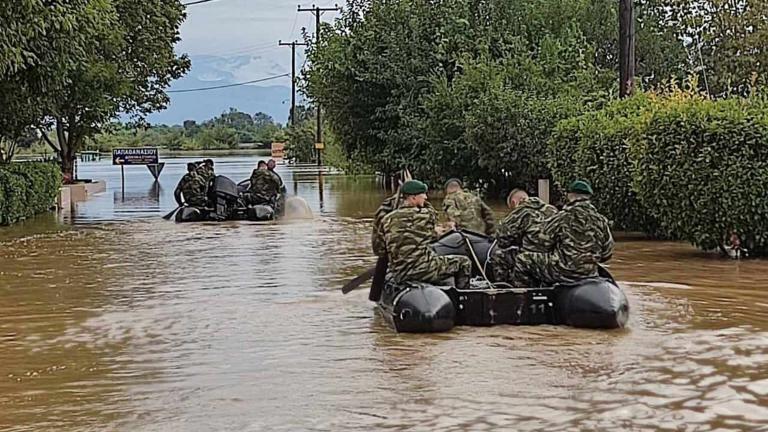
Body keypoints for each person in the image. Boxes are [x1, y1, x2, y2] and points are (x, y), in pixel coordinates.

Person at [513, 180, 614, 287]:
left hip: (563, 272)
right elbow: (607, 254)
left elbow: (542, 243)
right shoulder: (601, 220)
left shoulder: (562, 217)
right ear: (589, 197)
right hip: (590, 274)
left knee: (522, 260)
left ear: (569, 195)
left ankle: (526, 298)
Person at [379, 180, 472, 288]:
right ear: (413, 198)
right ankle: (463, 296)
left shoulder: (386, 219)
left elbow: (380, 248)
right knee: (464, 262)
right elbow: (433, 214)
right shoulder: (426, 215)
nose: (426, 197)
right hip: (422, 269)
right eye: (423, 194)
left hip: (400, 273)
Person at [491, 189, 558, 283]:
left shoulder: (521, 211)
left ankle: (505, 287)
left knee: (498, 256)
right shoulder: (553, 209)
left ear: (514, 203)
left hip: (530, 258)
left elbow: (502, 240)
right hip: (552, 259)